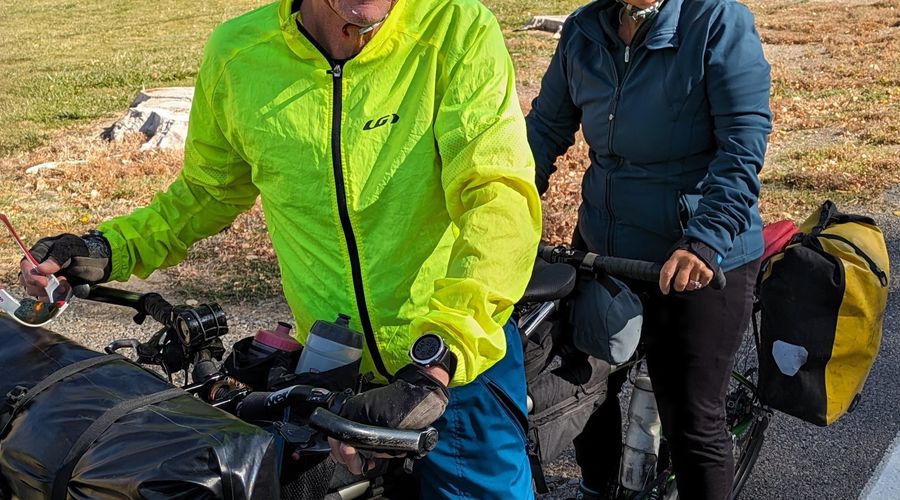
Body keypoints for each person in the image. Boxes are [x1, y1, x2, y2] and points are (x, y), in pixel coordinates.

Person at [20, 0, 542, 497]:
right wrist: (108, 247)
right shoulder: (240, 54)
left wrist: (438, 359)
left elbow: (497, 198)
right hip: (331, 372)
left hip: (458, 363)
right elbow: (207, 192)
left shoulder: (455, 29)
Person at [525, 0, 772, 498]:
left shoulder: (716, 21)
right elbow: (544, 130)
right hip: (604, 247)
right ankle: (598, 490)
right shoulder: (584, 30)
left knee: (693, 421)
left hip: (696, 257)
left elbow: (742, 145)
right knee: (581, 389)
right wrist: (503, 207)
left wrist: (704, 240)